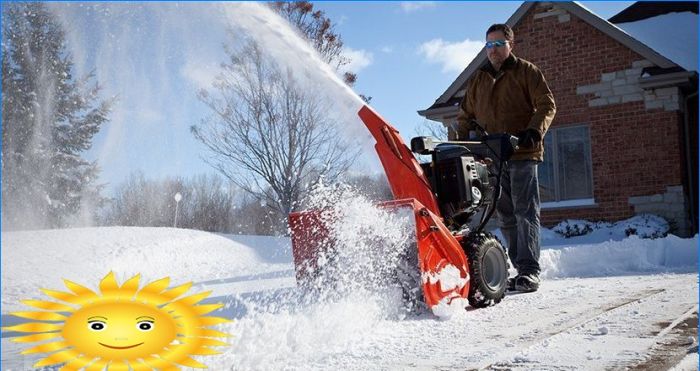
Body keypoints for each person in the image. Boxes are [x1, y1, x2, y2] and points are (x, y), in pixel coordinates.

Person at [455, 23, 556, 292]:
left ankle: (529, 270)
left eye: (499, 44)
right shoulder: (479, 79)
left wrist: (535, 129)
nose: (493, 50)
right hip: (494, 157)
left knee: (526, 212)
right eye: (489, 45)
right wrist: (461, 146)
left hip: (523, 152)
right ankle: (519, 268)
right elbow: (465, 117)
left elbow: (547, 103)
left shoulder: (526, 72)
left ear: (510, 44)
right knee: (506, 215)